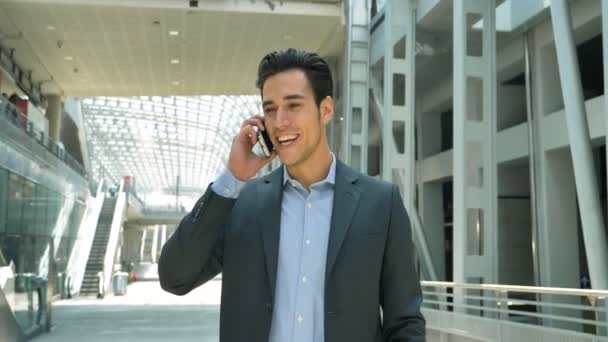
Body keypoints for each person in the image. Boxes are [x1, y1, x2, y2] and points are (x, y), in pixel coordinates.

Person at [158, 48, 425, 342]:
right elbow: (174, 277)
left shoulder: (380, 204)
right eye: (270, 109)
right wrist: (232, 179)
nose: (279, 121)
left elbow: (405, 322)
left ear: (325, 110)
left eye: (293, 105)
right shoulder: (242, 203)